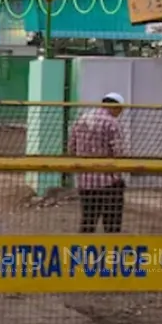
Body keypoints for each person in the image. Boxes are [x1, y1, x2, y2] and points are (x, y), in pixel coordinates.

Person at [68, 93, 127, 233]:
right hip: (109, 181)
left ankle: (83, 250)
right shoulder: (112, 123)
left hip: (85, 181)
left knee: (88, 220)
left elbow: (71, 147)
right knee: (112, 222)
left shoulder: (82, 119)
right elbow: (119, 152)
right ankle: (111, 251)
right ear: (116, 107)